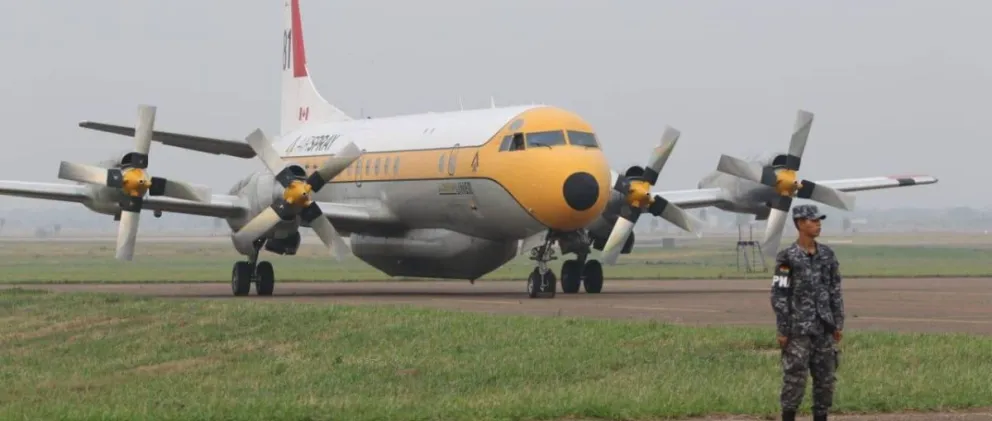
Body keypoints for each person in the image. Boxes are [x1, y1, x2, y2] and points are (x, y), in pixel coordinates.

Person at [770, 204, 844, 421]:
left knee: (825, 380)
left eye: (819, 220)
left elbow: (835, 290)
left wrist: (837, 323)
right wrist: (783, 329)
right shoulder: (787, 258)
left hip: (824, 329)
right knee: (794, 379)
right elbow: (779, 294)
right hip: (798, 330)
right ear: (800, 224)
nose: (818, 224)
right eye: (813, 220)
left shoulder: (827, 255)